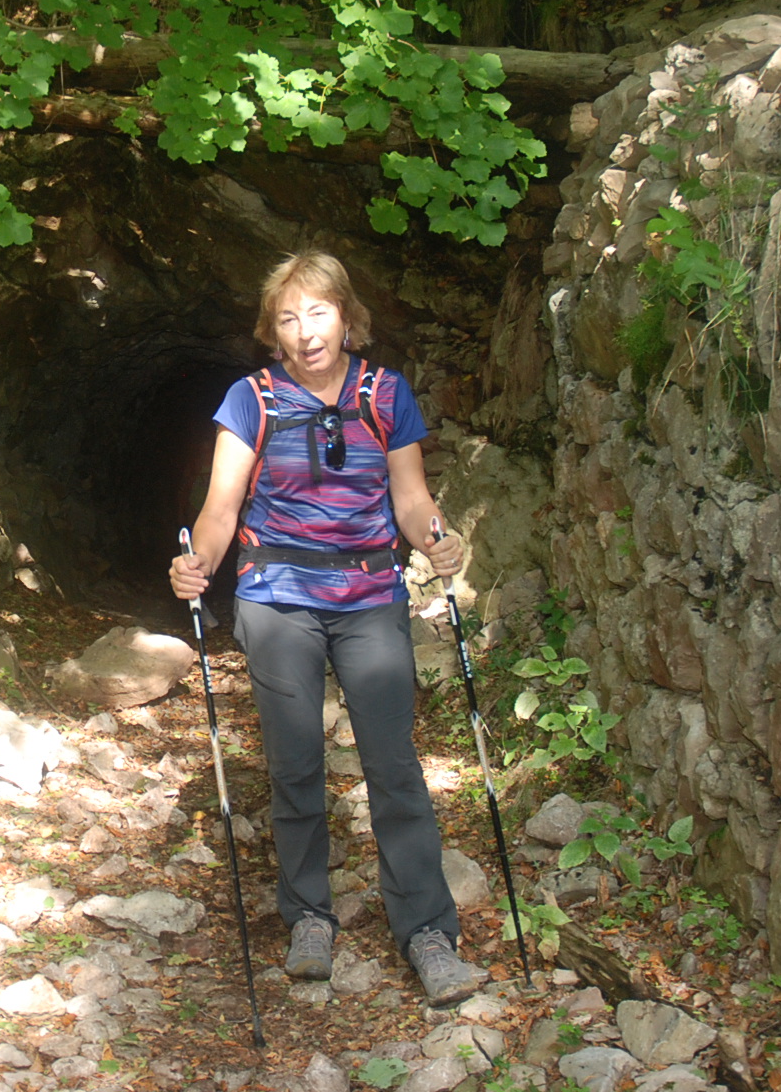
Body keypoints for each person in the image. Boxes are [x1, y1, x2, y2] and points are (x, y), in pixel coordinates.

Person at [168, 249, 488, 1006]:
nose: (306, 331)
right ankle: (309, 917)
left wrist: (437, 537)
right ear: (271, 331)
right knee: (295, 762)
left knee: (394, 763)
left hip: (369, 593)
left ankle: (427, 932)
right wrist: (198, 563)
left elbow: (410, 497)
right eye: (288, 318)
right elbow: (220, 508)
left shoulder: (385, 394)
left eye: (318, 313)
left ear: (347, 317)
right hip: (276, 595)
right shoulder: (250, 399)